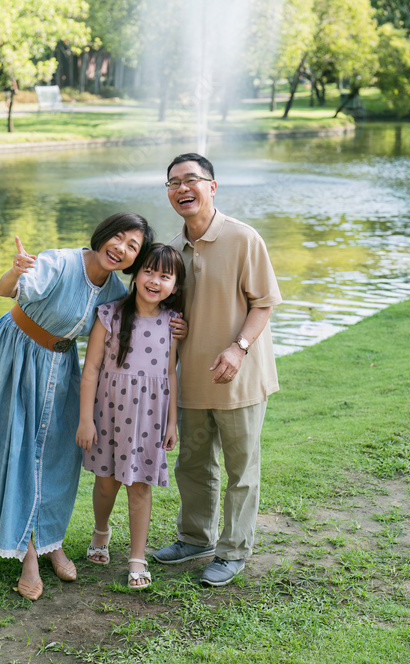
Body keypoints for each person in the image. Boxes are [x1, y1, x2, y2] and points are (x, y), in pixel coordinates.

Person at [0, 213, 153, 601]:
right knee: (18, 446)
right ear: (101, 235)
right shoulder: (59, 262)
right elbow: (5, 291)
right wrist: (15, 272)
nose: (121, 249)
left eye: (133, 246)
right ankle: (28, 554)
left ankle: (50, 540)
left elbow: (138, 320)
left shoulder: (115, 291)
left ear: (136, 259)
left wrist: (174, 326)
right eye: (117, 237)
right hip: (16, 353)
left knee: (60, 453)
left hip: (61, 365)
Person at [153, 153, 282, 586]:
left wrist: (238, 347)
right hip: (192, 379)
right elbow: (163, 308)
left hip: (239, 376)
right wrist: (173, 321)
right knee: (192, 463)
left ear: (212, 186)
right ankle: (195, 537)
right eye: (174, 183)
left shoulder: (244, 239)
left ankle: (233, 551)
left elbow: (262, 303)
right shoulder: (172, 251)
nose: (182, 189)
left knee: (240, 469)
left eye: (192, 180)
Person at [76, 244, 185, 590]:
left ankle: (137, 557)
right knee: (106, 483)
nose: (155, 281)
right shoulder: (109, 314)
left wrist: (171, 422)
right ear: (135, 274)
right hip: (108, 412)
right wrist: (85, 419)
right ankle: (101, 531)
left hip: (149, 417)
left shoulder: (173, 323)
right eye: (148, 271)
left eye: (165, 276)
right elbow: (91, 367)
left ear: (175, 286)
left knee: (140, 487)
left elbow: (170, 375)